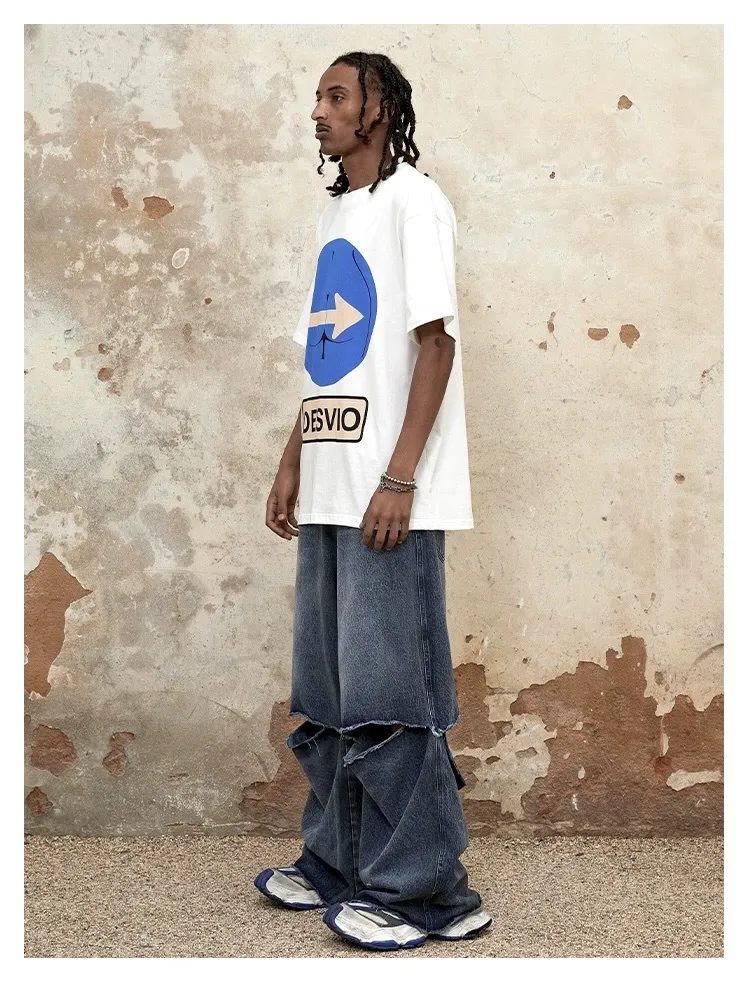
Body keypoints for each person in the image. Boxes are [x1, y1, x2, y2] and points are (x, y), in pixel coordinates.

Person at [255, 51, 492, 952]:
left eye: (336, 95)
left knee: (393, 697)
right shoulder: (336, 217)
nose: (319, 111)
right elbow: (330, 357)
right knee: (327, 695)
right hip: (331, 486)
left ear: (379, 107)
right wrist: (293, 463)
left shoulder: (414, 203)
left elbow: (437, 345)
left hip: (389, 496)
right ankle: (339, 860)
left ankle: (430, 893)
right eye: (317, 96)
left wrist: (399, 477)